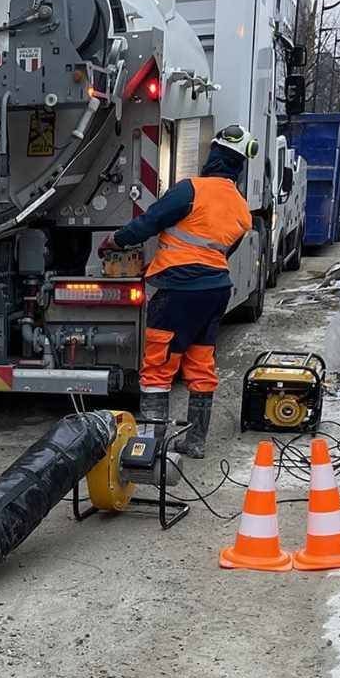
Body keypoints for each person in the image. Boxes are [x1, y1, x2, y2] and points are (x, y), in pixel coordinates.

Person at [101, 124, 258, 458]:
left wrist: (115, 241)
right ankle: (195, 441)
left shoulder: (191, 190)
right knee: (201, 363)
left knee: (158, 365)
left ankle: (151, 445)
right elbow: (221, 252)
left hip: (179, 289)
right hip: (216, 290)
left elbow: (149, 223)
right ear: (240, 166)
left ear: (213, 155)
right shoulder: (242, 209)